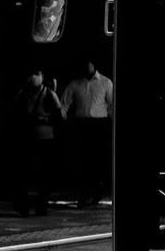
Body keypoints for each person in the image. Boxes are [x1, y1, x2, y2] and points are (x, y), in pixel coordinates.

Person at [60, 59, 114, 206]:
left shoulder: (105, 82)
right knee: (84, 160)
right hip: (82, 124)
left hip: (99, 125)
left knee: (97, 160)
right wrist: (61, 118)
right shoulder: (75, 84)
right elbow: (64, 103)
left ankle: (95, 191)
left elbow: (111, 105)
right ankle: (87, 192)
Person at [19, 65, 64, 215]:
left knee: (43, 174)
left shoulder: (49, 94)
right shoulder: (23, 94)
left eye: (37, 74)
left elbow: (58, 117)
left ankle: (41, 206)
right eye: (32, 74)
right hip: (28, 138)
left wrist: (44, 119)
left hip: (45, 139)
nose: (34, 78)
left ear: (42, 76)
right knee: (27, 173)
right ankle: (26, 206)